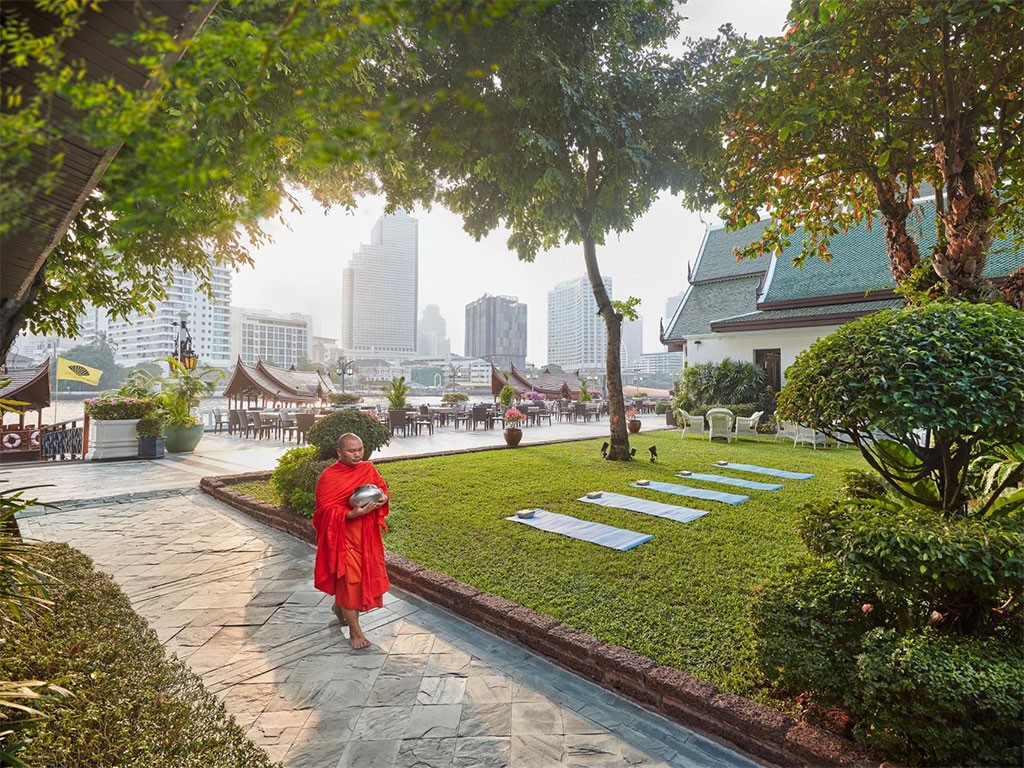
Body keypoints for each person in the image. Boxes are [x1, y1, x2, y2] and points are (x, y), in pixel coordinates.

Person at [312, 432, 390, 649]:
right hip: (343, 538)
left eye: (360, 450)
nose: (357, 455)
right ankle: (356, 634)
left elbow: (381, 488)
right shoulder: (329, 477)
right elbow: (323, 511)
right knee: (350, 582)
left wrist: (383, 497)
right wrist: (350, 515)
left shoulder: (367, 469)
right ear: (339, 452)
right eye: (351, 451)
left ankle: (339, 608)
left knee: (358, 581)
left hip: (366, 537)